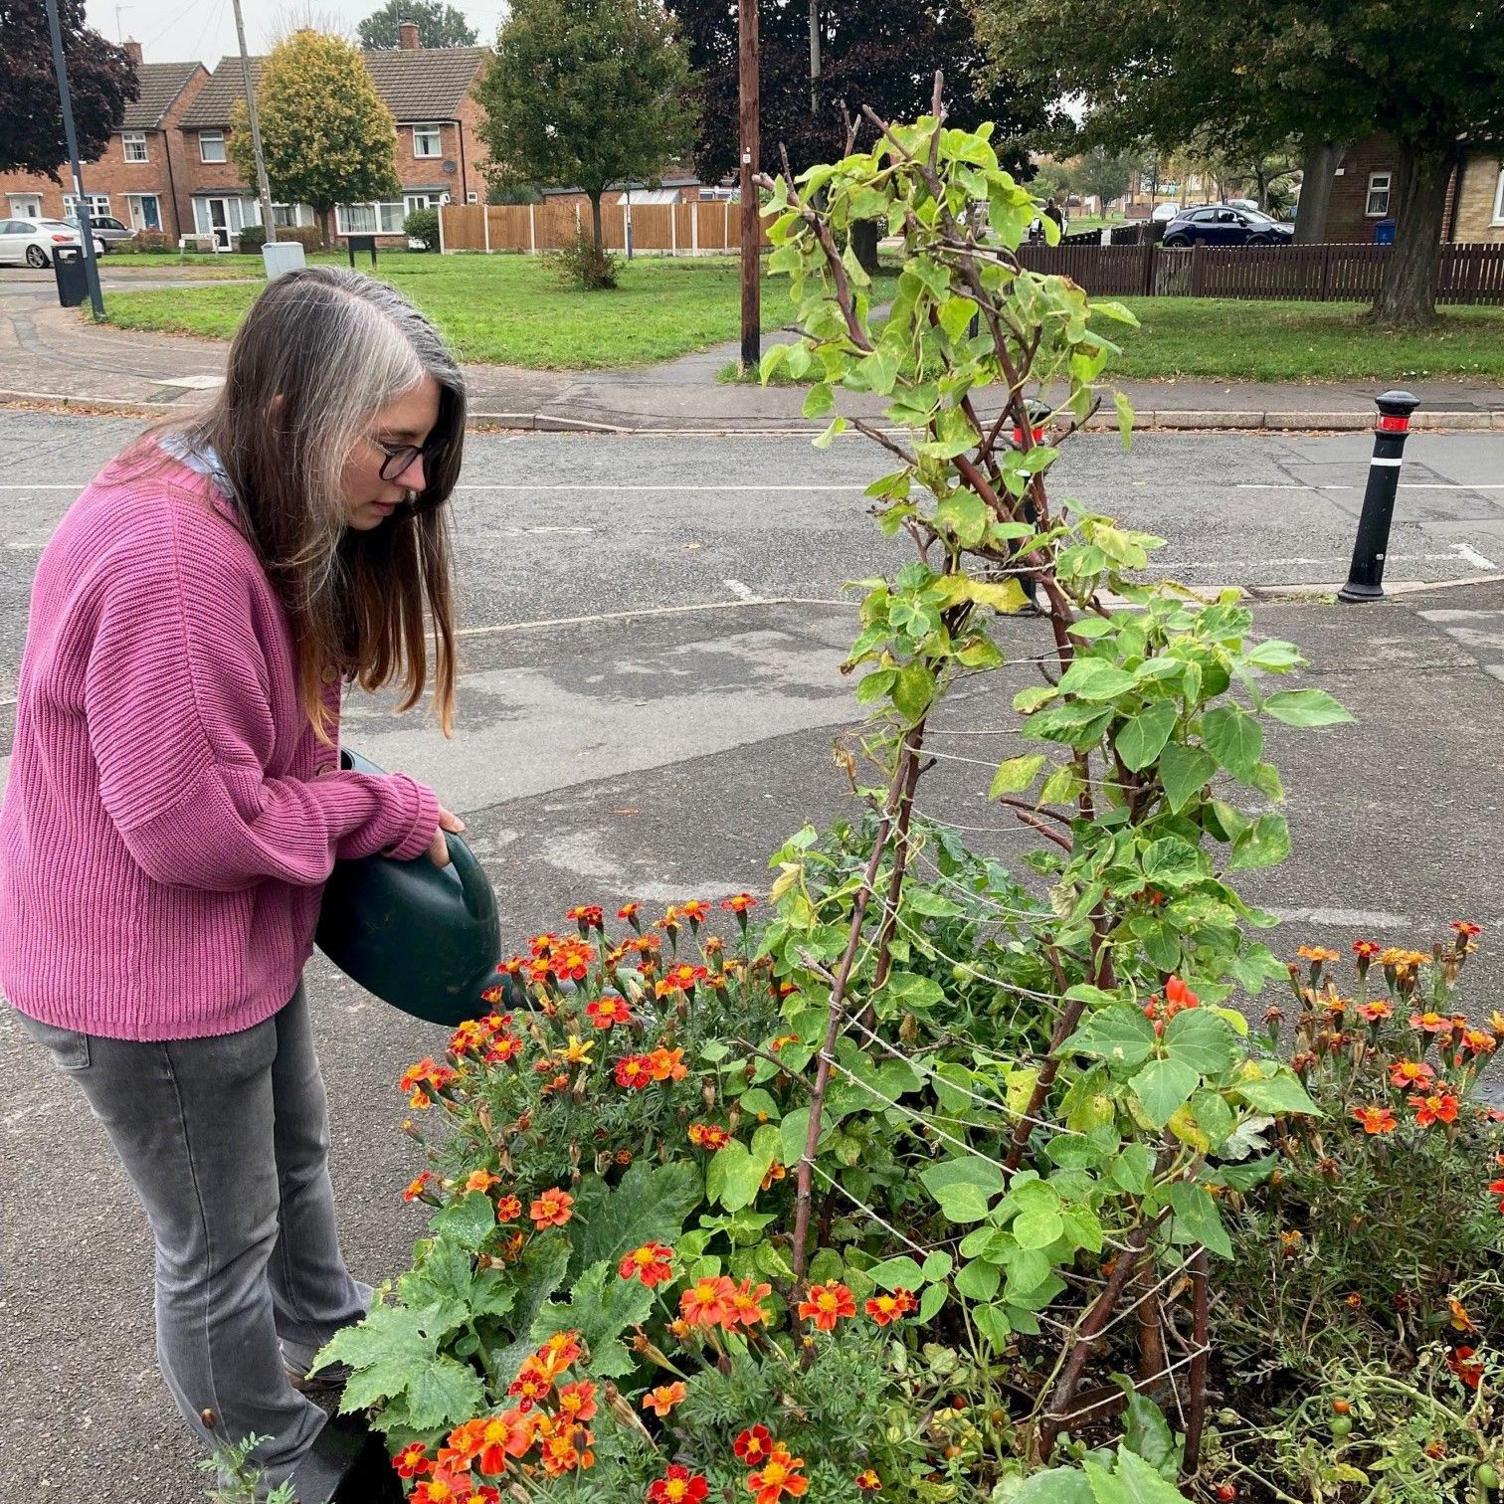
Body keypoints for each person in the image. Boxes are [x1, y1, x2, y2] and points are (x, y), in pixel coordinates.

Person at [0, 267, 467, 1499]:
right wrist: (377, 806)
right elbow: (193, 832)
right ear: (297, 417)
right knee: (215, 1243)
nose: (413, 482)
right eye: (396, 448)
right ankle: (277, 1451)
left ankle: (333, 1332)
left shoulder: (238, 490)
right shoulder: (171, 561)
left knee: (292, 1160)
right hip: (146, 975)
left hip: (226, 944)